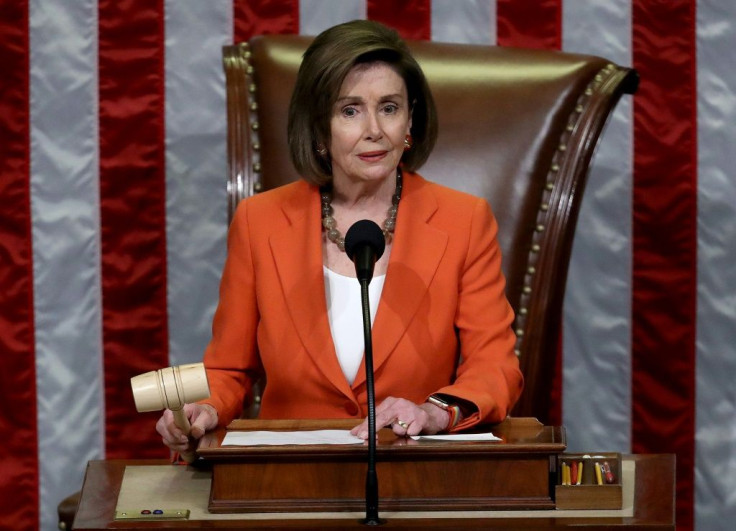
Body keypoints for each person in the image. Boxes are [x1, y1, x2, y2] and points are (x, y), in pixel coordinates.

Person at [157, 19, 523, 454]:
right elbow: (229, 369)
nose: (374, 129)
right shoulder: (261, 221)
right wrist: (205, 408)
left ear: (410, 119)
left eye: (389, 107)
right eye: (350, 110)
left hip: (409, 469)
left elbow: (495, 365)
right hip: (288, 480)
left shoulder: (463, 220)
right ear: (318, 128)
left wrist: (436, 411)